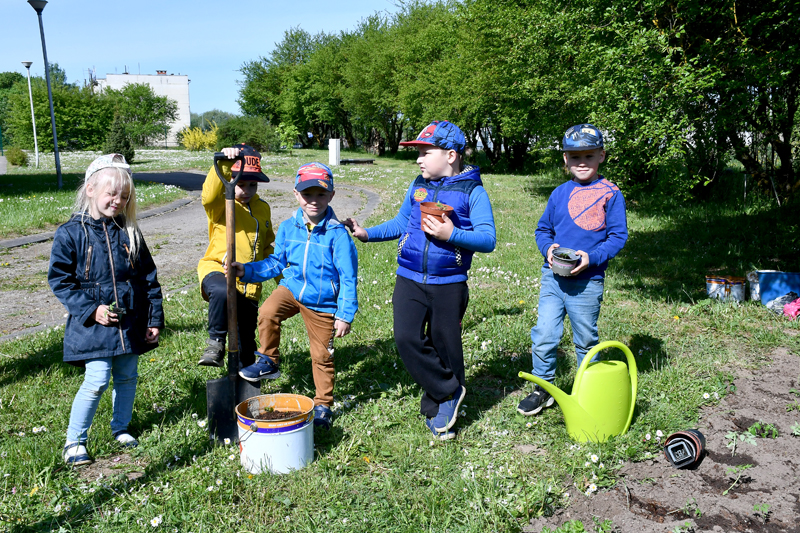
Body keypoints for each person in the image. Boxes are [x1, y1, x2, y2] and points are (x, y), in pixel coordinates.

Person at [345, 120, 496, 440]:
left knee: (446, 345)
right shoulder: (418, 184)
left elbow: (488, 238)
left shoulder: (473, 191)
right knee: (406, 338)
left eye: (427, 152)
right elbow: (402, 222)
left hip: (448, 281)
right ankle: (449, 391)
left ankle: (442, 407)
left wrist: (450, 233)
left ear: (451, 155)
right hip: (409, 278)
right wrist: (366, 234)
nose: (419, 159)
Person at [48, 154, 164, 466]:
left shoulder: (130, 232)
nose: (117, 201)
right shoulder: (70, 233)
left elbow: (148, 279)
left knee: (127, 375)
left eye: (124, 196)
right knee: (98, 379)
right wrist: (91, 310)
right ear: (90, 189)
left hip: (129, 321)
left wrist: (153, 319)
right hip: (94, 325)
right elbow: (60, 280)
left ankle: (120, 427)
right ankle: (75, 441)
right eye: (111, 193)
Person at [229, 162, 358, 430]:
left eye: (320, 194)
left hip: (322, 302)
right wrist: (246, 270)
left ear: (331, 195)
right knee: (267, 312)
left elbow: (348, 277)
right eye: (307, 194)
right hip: (292, 289)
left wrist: (344, 315)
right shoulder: (289, 227)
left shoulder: (338, 235)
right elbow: (276, 263)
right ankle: (268, 360)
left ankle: (323, 404)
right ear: (296, 194)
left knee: (322, 356)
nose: (313, 201)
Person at [517, 123, 628, 416]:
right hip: (553, 277)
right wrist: (548, 249)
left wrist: (590, 258)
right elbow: (543, 230)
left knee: (585, 338)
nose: (582, 162)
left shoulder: (611, 194)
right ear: (565, 159)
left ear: (601, 156)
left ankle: (587, 389)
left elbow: (618, 236)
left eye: (589, 156)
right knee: (544, 334)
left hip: (587, 282)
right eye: (575, 156)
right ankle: (543, 387)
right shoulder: (558, 194)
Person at [196, 145, 274, 368]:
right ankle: (216, 342)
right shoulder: (222, 204)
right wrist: (223, 162)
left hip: (249, 284)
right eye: (240, 184)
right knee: (222, 290)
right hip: (217, 269)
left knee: (245, 344)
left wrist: (283, 278)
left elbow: (268, 246)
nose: (246, 190)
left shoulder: (262, 209)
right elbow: (209, 197)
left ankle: (243, 382)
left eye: (252, 184)